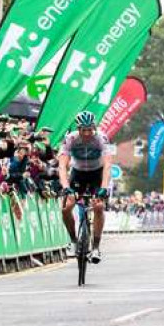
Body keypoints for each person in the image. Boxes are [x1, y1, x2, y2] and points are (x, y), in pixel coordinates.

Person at [58, 110, 113, 263]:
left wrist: (104, 187)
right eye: (84, 130)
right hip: (78, 174)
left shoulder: (101, 138)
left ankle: (96, 247)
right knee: (66, 207)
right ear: (78, 129)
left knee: (99, 206)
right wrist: (65, 186)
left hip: (97, 173)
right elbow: (62, 166)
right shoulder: (70, 139)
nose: (88, 133)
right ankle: (74, 241)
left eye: (90, 129)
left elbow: (108, 165)